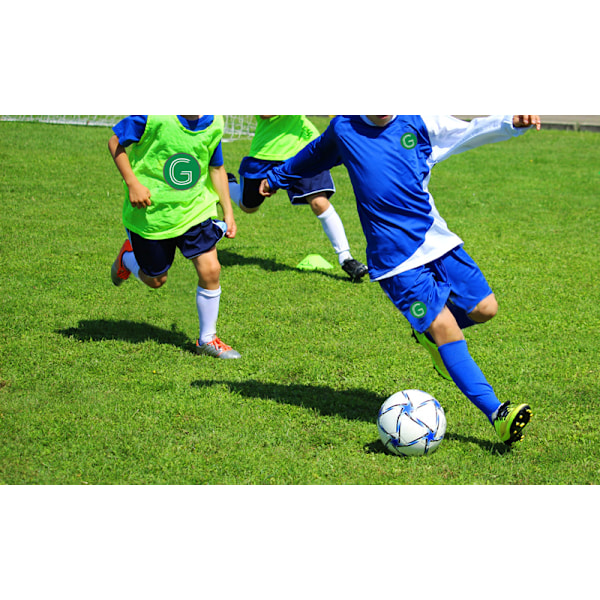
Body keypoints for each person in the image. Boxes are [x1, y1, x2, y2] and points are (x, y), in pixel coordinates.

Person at [260, 115, 542, 445]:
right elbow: (314, 154)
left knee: (485, 308)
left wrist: (511, 121)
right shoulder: (345, 127)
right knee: (445, 327)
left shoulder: (419, 119)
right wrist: (276, 177)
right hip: (396, 262)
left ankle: (429, 334)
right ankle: (498, 414)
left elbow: (470, 131)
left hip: (437, 241)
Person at [108, 115, 241, 359]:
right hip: (152, 215)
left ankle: (207, 339)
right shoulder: (153, 116)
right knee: (156, 279)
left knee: (211, 269)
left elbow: (216, 167)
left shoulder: (214, 122)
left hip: (195, 210)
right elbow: (115, 141)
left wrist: (228, 211)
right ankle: (127, 258)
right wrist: (132, 183)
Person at [228, 115, 368, 282]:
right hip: (266, 151)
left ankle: (346, 258)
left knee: (319, 202)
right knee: (248, 206)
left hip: (302, 149)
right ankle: (225, 182)